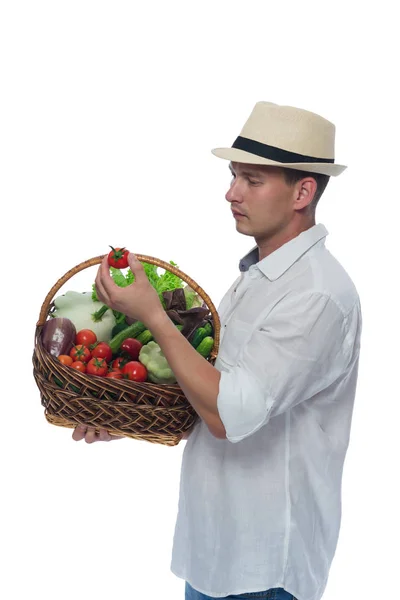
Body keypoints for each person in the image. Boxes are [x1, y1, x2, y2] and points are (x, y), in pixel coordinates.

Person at [73, 101, 362, 600]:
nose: (231, 193)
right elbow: (212, 392)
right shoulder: (259, 278)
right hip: (215, 553)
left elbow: (231, 415)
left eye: (252, 180)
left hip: (265, 566)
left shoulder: (316, 295)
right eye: (234, 176)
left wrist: (155, 317)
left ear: (303, 191)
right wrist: (127, 416)